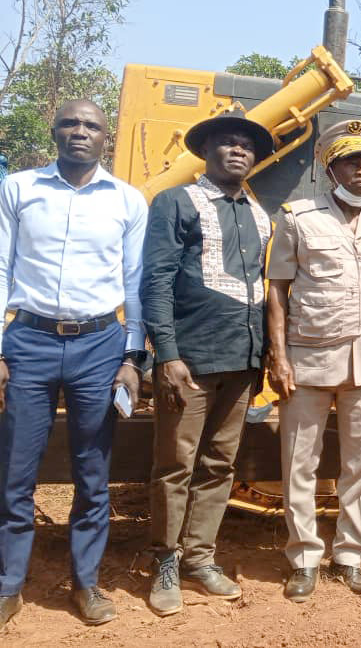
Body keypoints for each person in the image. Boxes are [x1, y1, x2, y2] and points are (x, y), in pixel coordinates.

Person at [0, 100, 147, 626]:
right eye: (70, 123)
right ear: (54, 130)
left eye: (91, 125)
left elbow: (134, 283)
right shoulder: (18, 189)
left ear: (106, 137)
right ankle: (8, 585)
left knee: (92, 472)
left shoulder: (127, 201)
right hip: (30, 341)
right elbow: (1, 265)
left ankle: (86, 583)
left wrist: (133, 356)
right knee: (16, 470)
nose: (80, 132)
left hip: (99, 344)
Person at [142, 109, 274, 616]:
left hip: (241, 362)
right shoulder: (178, 201)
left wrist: (262, 357)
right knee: (175, 464)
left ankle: (199, 557)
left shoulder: (260, 214)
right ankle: (165, 561)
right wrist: (167, 355)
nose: (239, 150)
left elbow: (260, 292)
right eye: (228, 141)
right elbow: (155, 281)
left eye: (247, 145)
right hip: (190, 361)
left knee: (219, 464)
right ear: (207, 149)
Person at [265, 120, 361, 602]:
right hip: (309, 358)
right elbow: (277, 291)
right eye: (352, 162)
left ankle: (349, 555)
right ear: (331, 168)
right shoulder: (299, 218)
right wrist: (279, 356)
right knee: (299, 462)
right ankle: (303, 556)